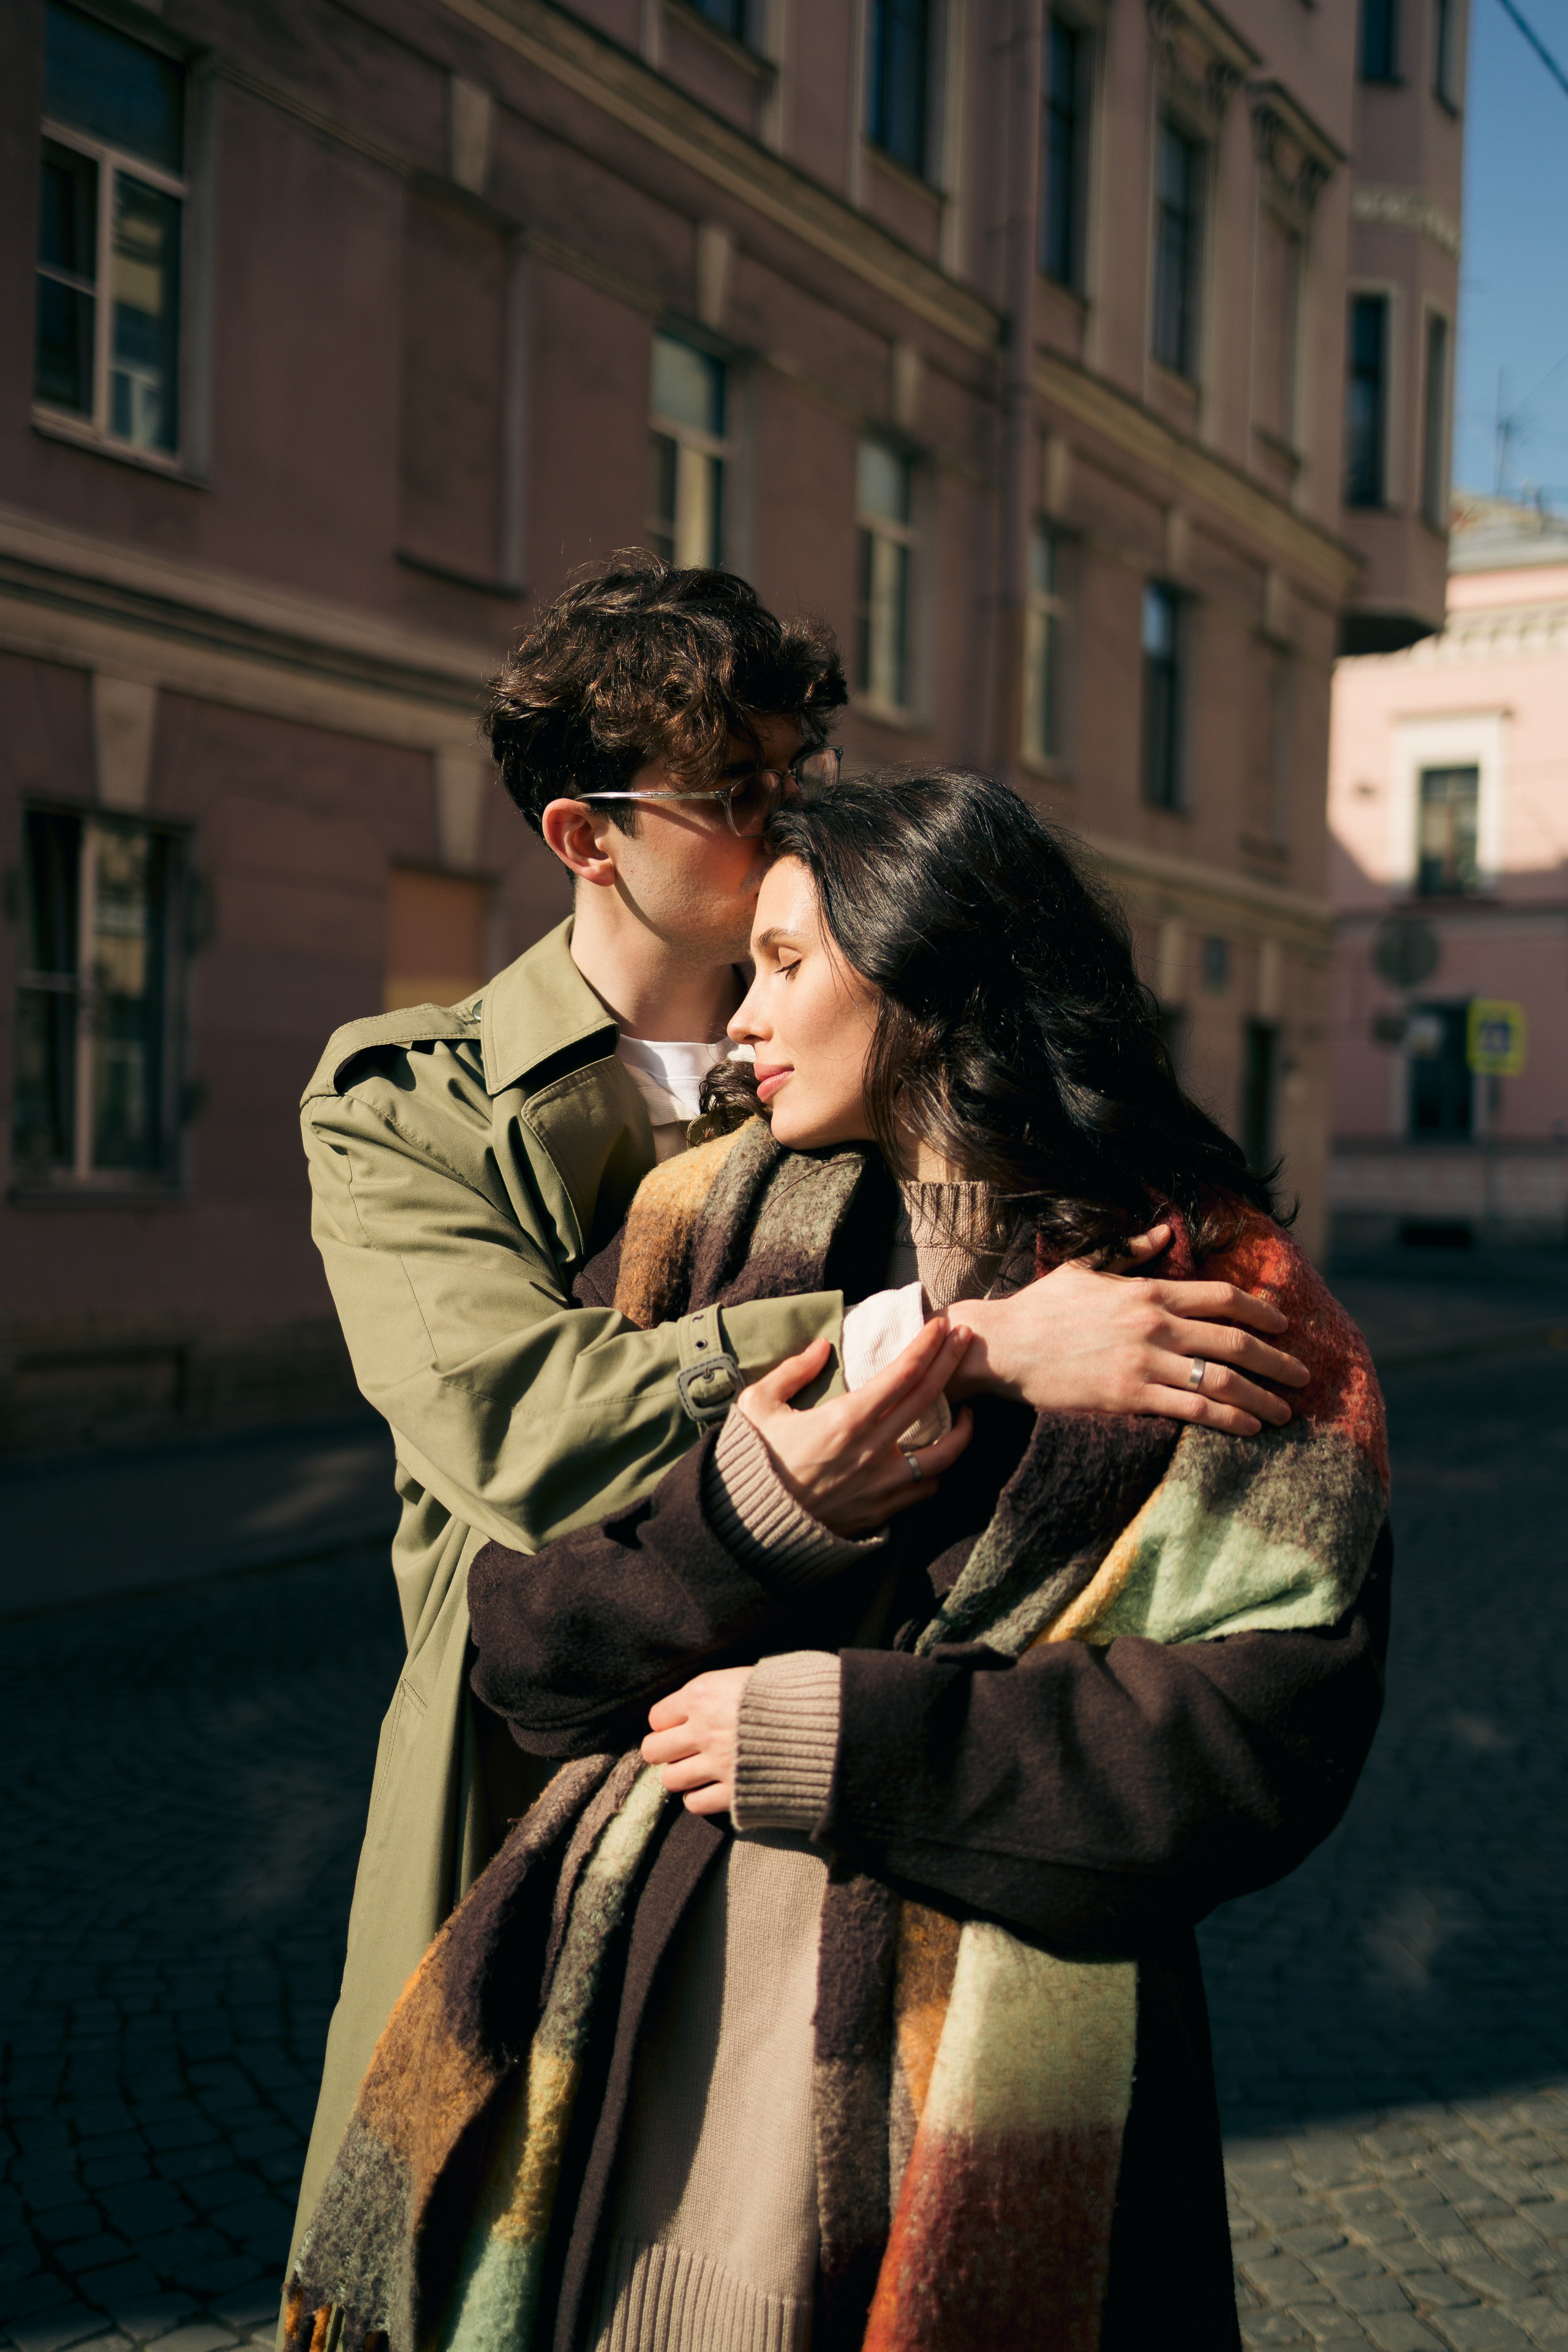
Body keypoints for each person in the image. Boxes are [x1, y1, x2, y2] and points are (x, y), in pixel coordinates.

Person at [286, 771, 1389, 2352]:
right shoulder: (694, 1233)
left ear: (929, 973)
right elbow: (523, 1639)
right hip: (647, 2110)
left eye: (787, 964)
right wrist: (759, 1514)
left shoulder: (1213, 1294)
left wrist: (850, 1745)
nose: (740, 1016)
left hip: (991, 2132)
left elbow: (1269, 1729)